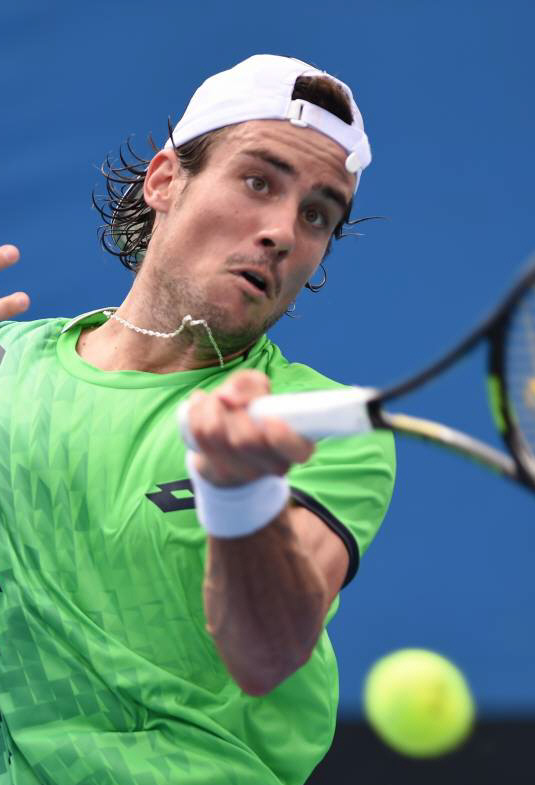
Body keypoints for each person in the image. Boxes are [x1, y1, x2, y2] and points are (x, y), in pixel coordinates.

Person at [0, 55, 395, 785]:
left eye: (317, 214)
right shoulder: (6, 366)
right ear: (164, 180)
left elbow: (265, 654)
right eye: (258, 181)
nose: (283, 231)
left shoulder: (314, 428)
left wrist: (240, 497)